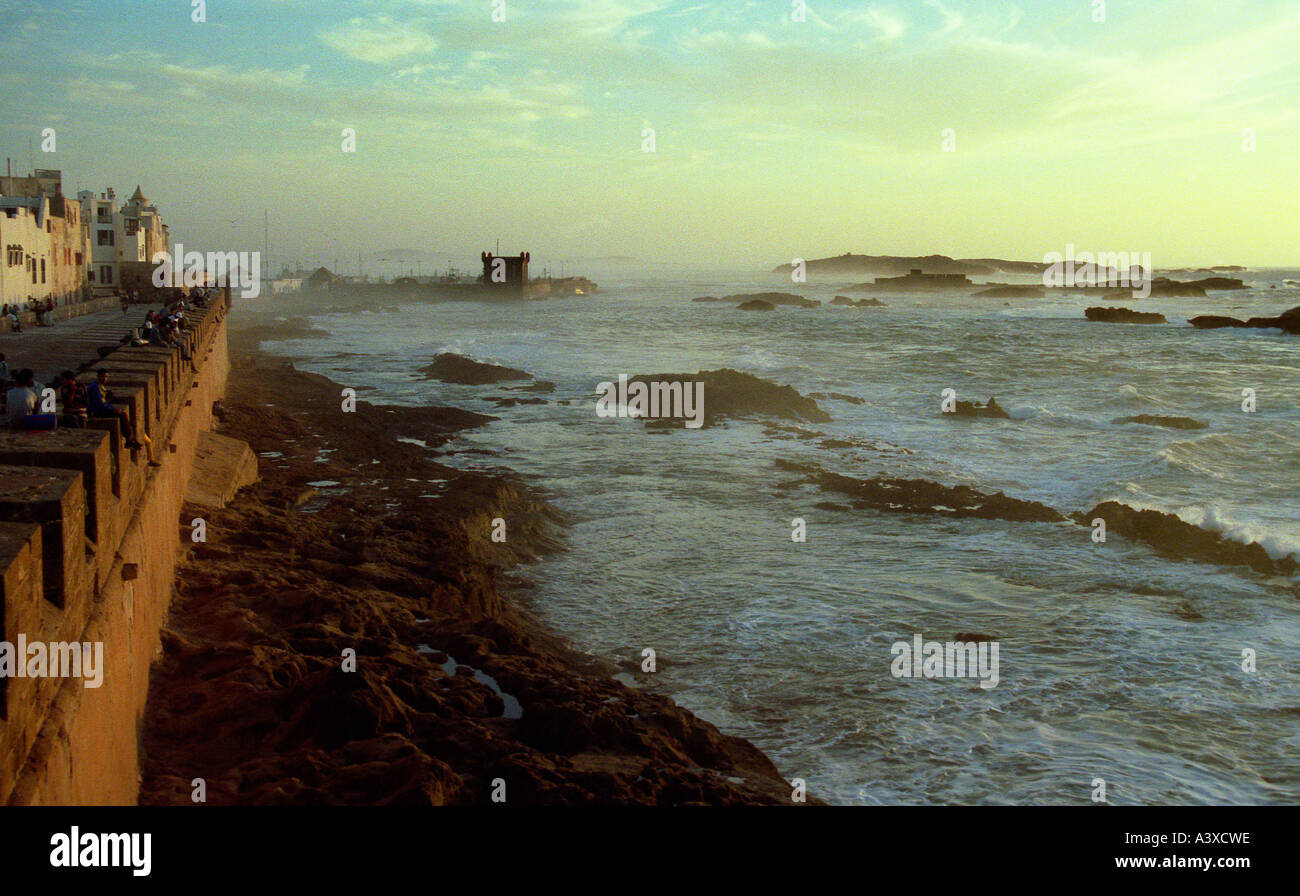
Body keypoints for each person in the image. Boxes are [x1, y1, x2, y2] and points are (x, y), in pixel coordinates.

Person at [86, 369, 159, 465]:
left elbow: (103, 401)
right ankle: (129, 440)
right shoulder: (94, 387)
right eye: (103, 376)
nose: (105, 379)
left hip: (99, 410)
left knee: (122, 414)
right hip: (96, 412)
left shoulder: (99, 386)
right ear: (98, 376)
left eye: (106, 377)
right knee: (122, 414)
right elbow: (101, 404)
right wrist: (113, 409)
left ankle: (129, 439)